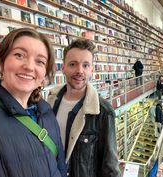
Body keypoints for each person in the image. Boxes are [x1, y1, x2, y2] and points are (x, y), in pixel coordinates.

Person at [0, 28, 67, 177]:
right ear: (0, 62)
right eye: (19, 55)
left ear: (44, 75)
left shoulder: (47, 112)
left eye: (40, 61)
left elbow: (60, 166)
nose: (29, 66)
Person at [48, 39, 121, 177]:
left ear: (92, 70)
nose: (79, 71)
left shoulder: (103, 112)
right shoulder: (50, 102)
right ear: (63, 67)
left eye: (86, 65)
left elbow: (110, 167)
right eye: (73, 64)